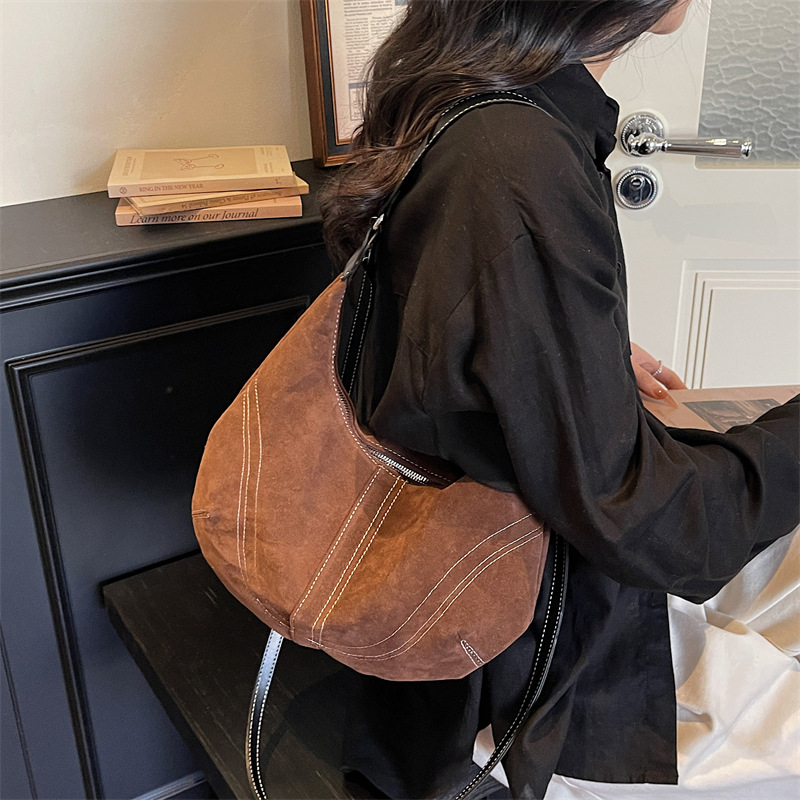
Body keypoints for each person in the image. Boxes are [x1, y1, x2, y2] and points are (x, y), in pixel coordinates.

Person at [318, 1, 800, 797]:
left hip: (508, 598)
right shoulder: (517, 159)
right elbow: (641, 521)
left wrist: (563, 344)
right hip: (529, 672)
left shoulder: (468, 97)